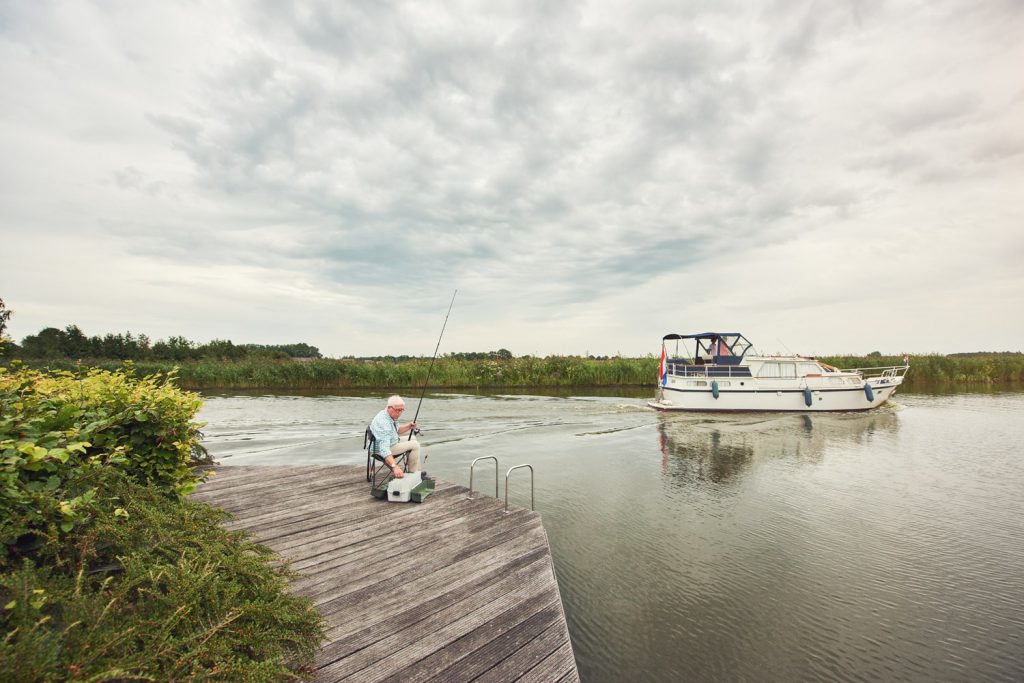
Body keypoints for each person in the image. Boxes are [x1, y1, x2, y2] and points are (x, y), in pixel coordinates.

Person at [369, 395, 421, 479]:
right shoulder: (383, 423)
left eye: (402, 410)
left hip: (391, 442)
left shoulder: (387, 414)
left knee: (413, 438)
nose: (400, 413)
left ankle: (416, 470)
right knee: (415, 445)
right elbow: (384, 449)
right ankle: (414, 475)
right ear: (389, 408)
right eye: (398, 410)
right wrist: (395, 467)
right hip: (379, 450)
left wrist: (408, 426)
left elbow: (396, 431)